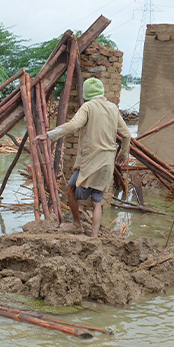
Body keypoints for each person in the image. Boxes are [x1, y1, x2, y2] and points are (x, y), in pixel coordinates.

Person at [35, 77, 131, 238]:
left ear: (86, 93)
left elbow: (73, 126)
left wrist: (48, 135)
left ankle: (77, 224)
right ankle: (94, 237)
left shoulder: (88, 107)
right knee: (97, 202)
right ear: (101, 91)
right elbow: (127, 135)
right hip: (107, 162)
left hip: (91, 161)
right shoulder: (113, 108)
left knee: (71, 188)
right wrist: (123, 153)